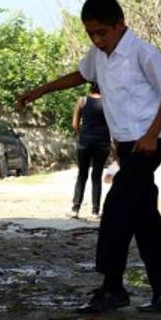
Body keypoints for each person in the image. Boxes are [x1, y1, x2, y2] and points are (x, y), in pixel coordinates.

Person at [17, 0, 161, 313]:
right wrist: (41, 90)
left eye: (102, 33)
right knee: (144, 218)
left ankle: (112, 288)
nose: (97, 39)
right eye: (90, 33)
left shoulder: (142, 52)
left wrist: (151, 134)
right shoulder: (98, 55)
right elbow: (80, 75)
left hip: (147, 144)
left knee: (115, 210)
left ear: (120, 25)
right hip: (125, 145)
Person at [70, 83, 111, 219]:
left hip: (85, 142)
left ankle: (75, 209)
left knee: (82, 175)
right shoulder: (108, 102)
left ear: (90, 88)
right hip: (103, 143)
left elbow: (75, 124)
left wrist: (83, 133)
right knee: (97, 176)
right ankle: (95, 211)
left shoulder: (82, 101)